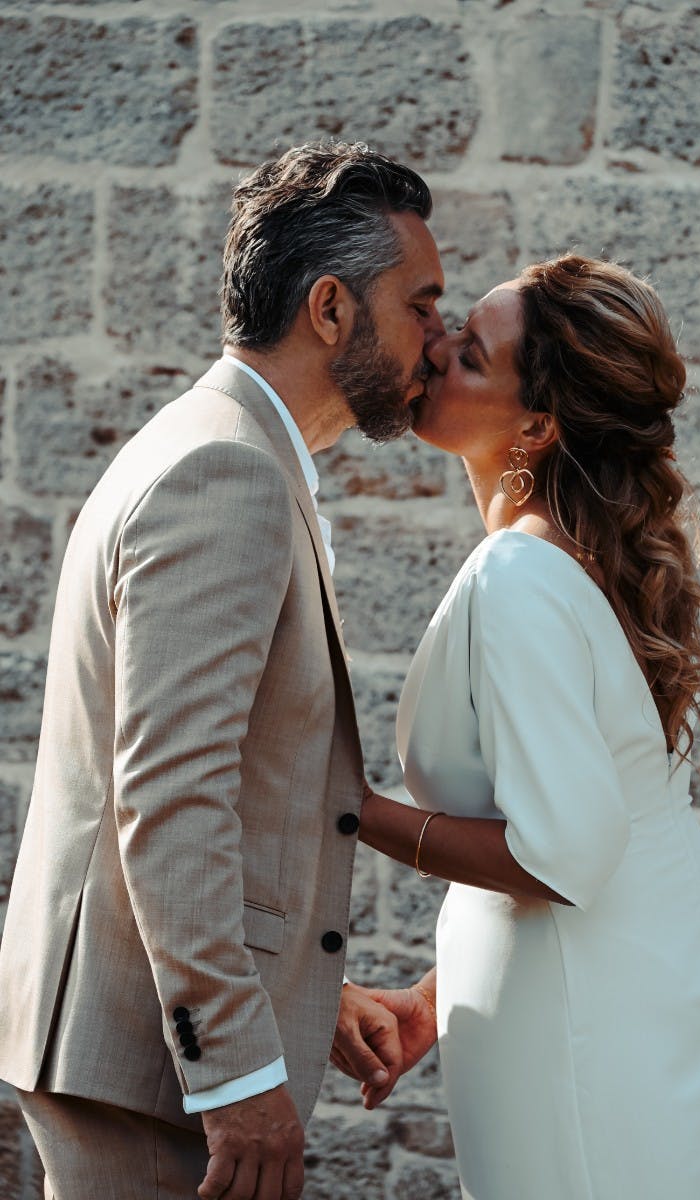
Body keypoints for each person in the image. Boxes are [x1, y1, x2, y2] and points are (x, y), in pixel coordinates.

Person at [0, 140, 445, 1200]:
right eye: (421, 304)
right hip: (153, 1072)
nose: (441, 336)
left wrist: (299, 990)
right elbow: (170, 795)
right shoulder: (227, 473)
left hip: (144, 1044)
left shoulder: (219, 446)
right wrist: (236, 1067)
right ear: (330, 310)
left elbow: (235, 781)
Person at [334, 256, 700, 1199]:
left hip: (599, 1030)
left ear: (537, 426)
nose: (432, 348)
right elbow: (594, 806)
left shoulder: (520, 575)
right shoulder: (564, 560)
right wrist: (437, 997)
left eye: (468, 354)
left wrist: (344, 809)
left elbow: (565, 854)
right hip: (634, 983)